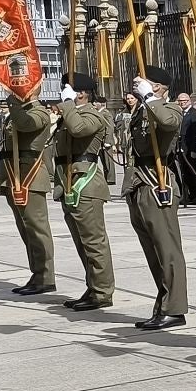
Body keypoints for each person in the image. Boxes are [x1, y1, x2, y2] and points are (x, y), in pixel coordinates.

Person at [124, 66, 189, 331]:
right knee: (152, 250)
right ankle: (163, 304)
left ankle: (175, 308)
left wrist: (150, 97)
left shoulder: (169, 107)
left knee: (167, 248)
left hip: (158, 180)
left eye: (147, 84)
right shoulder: (141, 109)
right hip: (139, 180)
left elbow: (169, 123)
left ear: (159, 87)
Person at [52, 73, 115, 312]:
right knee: (82, 243)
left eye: (67, 90)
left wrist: (68, 105)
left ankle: (102, 292)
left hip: (85, 184)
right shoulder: (69, 114)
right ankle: (93, 287)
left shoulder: (92, 115)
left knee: (94, 243)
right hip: (68, 182)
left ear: (81, 93)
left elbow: (78, 130)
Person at [0, 86, 55, 296]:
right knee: (25, 229)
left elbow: (25, 125)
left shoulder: (39, 112)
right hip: (14, 174)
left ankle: (46, 276)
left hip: (30, 175)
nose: (14, 92)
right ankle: (37, 273)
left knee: (36, 228)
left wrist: (13, 104)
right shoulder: (16, 111)